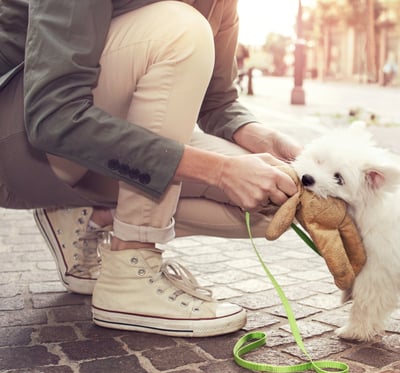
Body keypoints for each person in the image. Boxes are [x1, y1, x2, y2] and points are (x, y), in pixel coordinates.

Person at [0, 1, 301, 337]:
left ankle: (86, 214)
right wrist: (221, 171)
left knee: (276, 203)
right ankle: (131, 268)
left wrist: (270, 140)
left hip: (90, 148)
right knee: (181, 30)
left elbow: (219, 102)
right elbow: (54, 118)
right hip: (18, 142)